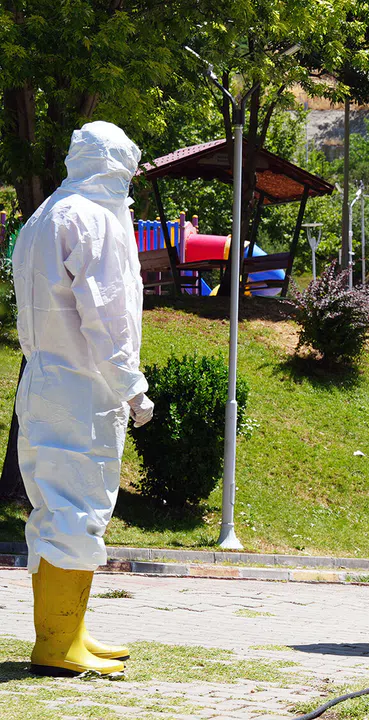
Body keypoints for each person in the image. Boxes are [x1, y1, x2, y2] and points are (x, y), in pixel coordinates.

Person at [13, 121, 153, 676]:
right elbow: (107, 316)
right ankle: (58, 645)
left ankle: (67, 630)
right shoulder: (96, 220)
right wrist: (132, 387)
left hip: (43, 377)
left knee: (53, 509)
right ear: (118, 166)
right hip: (84, 384)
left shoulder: (44, 214)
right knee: (80, 510)